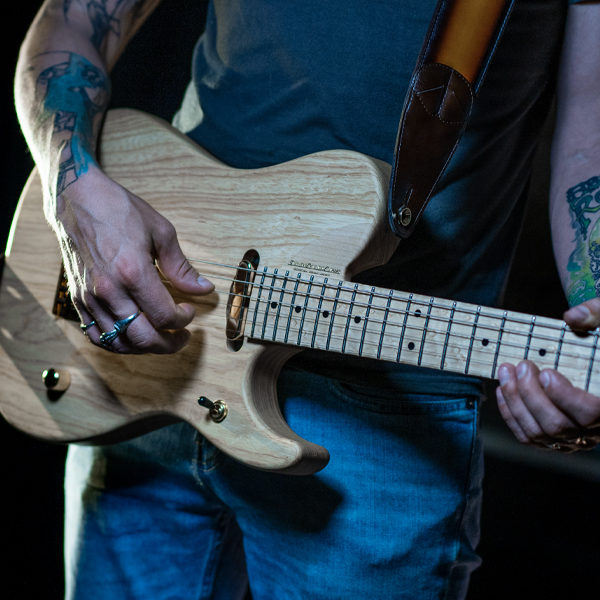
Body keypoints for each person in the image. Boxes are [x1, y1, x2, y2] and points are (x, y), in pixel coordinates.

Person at [12, 1, 600, 598]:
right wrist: (74, 193)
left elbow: (591, 124)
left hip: (389, 405)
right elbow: (71, 22)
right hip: (149, 350)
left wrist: (592, 321)